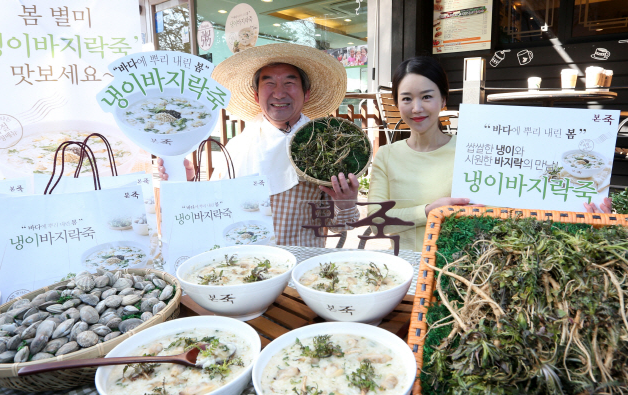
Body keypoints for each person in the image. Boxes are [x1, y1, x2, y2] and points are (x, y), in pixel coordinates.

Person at [367, 56, 611, 251]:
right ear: (397, 103)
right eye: (406, 98)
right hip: (406, 270)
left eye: (427, 97)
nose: (416, 108)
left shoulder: (476, 150)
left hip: (467, 270)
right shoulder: (387, 156)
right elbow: (375, 220)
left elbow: (516, 206)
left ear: (443, 99)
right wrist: (429, 211)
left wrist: (585, 214)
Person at [158, 43, 360, 247]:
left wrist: (346, 203)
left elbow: (342, 226)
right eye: (269, 83)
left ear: (306, 93)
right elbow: (214, 210)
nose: (279, 93)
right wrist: (187, 180)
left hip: (300, 268)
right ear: (256, 95)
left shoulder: (323, 147)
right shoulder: (238, 147)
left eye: (289, 83)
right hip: (243, 268)